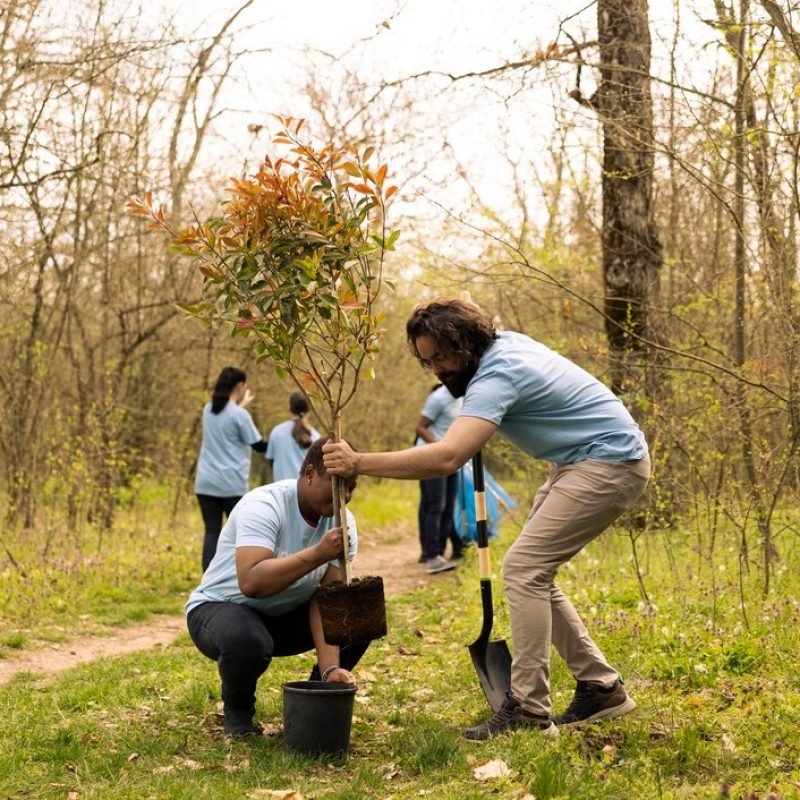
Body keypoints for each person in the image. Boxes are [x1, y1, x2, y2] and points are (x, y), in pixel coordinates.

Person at [323, 297, 650, 740]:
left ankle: (530, 711)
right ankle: (601, 687)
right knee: (534, 573)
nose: (436, 369)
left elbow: (448, 457)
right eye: (427, 361)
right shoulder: (503, 350)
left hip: (609, 461)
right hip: (582, 460)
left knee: (524, 569)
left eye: (441, 356)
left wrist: (359, 462)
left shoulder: (497, 373)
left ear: (467, 342)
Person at [186, 437, 364, 736]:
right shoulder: (264, 505)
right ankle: (238, 713)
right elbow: (252, 582)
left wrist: (330, 668)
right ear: (309, 474)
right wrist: (318, 554)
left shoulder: (343, 525)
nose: (343, 495)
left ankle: (318, 699)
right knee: (247, 639)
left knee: (355, 613)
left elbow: (328, 602)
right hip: (221, 609)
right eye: (337, 484)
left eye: (350, 488)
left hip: (281, 615)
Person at [195, 367, 268, 571]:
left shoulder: (208, 409)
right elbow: (259, 445)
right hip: (231, 485)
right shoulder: (240, 415)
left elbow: (227, 417)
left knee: (212, 532)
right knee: (238, 534)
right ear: (240, 386)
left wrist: (240, 406)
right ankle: (236, 576)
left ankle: (208, 577)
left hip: (205, 483)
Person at [415, 382, 463, 574]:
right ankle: (432, 555)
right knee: (436, 505)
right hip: (431, 457)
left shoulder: (463, 395)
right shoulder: (438, 398)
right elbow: (420, 428)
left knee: (448, 507)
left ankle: (438, 553)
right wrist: (441, 448)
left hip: (451, 458)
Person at [266, 391, 321, 482]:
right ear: (310, 409)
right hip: (306, 491)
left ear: (290, 408)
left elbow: (271, 462)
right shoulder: (316, 437)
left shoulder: (276, 432)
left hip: (281, 490)